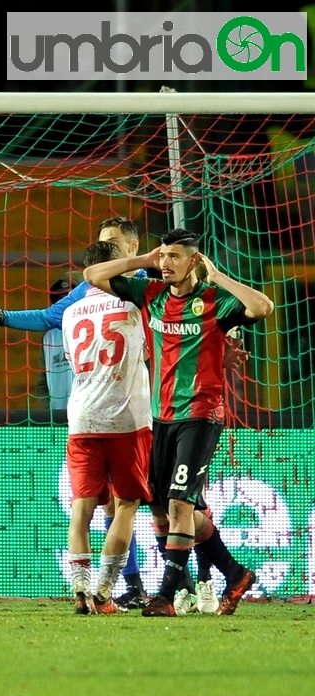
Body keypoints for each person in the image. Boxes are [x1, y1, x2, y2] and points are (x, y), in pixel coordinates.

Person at [0, 217, 152, 608]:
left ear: (131, 247)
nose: (108, 251)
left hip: (96, 414)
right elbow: (45, 317)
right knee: (127, 504)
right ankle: (124, 587)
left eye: (113, 243)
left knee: (104, 506)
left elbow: (50, 319)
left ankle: (115, 587)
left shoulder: (142, 281)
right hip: (132, 413)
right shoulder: (124, 291)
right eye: (103, 244)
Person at [85, 228, 271, 617]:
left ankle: (167, 596)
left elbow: (263, 307)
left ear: (193, 261)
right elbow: (93, 276)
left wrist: (217, 276)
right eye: (163, 255)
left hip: (201, 416)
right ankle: (234, 574)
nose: (166, 262)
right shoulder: (150, 294)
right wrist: (143, 261)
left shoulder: (214, 302)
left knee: (178, 503)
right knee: (162, 508)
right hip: (160, 418)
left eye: (174, 256)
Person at [59, 242, 152, 615]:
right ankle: (105, 589)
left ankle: (79, 587)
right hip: (128, 420)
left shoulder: (71, 311)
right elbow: (149, 352)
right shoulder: (135, 305)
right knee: (126, 506)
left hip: (82, 418)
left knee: (82, 508)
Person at [43, 275, 76, 413]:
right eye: (59, 299)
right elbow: (42, 382)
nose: (63, 303)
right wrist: (46, 414)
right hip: (58, 418)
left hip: (90, 415)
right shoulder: (49, 337)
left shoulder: (96, 328)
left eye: (67, 298)